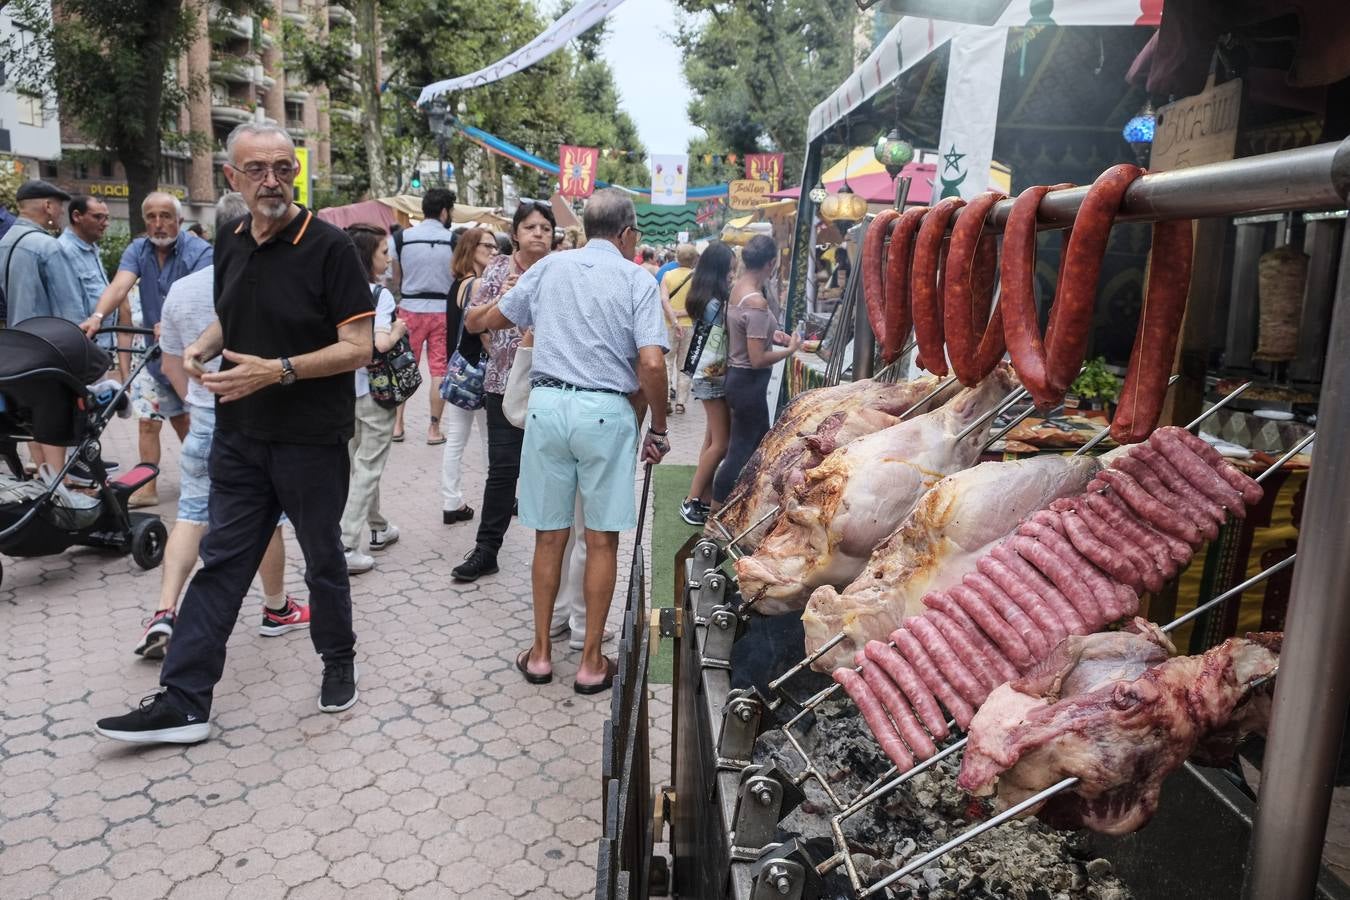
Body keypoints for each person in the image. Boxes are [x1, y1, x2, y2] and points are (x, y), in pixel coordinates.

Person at [95, 122, 375, 744]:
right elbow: (232, 313)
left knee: (323, 560)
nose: (271, 180)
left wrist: (278, 372)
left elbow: (358, 348)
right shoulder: (230, 239)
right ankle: (184, 700)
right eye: (257, 169)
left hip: (310, 437)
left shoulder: (329, 248)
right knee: (222, 562)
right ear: (233, 178)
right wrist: (200, 347)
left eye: (282, 167)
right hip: (241, 437)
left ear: (296, 173)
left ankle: (338, 662)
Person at [465, 187, 670, 693]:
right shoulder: (635, 279)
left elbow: (492, 318)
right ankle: (591, 662)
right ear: (626, 234)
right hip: (605, 412)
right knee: (600, 540)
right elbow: (650, 362)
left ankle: (539, 654)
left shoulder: (550, 268)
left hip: (548, 408)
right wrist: (660, 428)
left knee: (548, 535)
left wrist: (474, 315)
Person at [137, 191, 309, 660]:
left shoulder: (183, 288)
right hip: (253, 424)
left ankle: (165, 610)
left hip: (202, 413)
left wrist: (197, 405)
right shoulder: (260, 282)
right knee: (267, 518)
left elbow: (174, 363)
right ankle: (275, 607)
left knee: (191, 514)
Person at [83, 192, 212, 508]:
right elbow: (119, 286)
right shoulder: (139, 250)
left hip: (192, 354)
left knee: (188, 421)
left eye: (166, 216)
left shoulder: (200, 252)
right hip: (155, 354)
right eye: (152, 217)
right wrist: (98, 317)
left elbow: (201, 298)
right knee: (148, 421)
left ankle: (210, 478)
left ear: (179, 220)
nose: (159, 224)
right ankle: (148, 485)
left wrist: (172, 322)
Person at [451, 199, 556, 583]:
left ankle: (554, 558)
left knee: (553, 473)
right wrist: (505, 298)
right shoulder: (497, 269)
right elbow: (474, 320)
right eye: (530, 227)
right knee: (502, 470)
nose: (538, 233)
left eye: (545, 227)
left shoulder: (561, 269)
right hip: (502, 384)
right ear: (515, 234)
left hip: (552, 385)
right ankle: (486, 550)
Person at [0, 180, 87, 473]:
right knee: (54, 416)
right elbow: (70, 308)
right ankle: (61, 484)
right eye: (59, 206)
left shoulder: (4, 243)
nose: (61, 212)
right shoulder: (48, 246)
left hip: (14, 347)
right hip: (48, 348)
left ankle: (44, 478)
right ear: (48, 206)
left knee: (28, 416)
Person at [711, 236, 799, 505]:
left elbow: (750, 335)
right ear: (771, 263)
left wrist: (775, 335)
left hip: (740, 380)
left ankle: (745, 508)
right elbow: (758, 358)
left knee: (760, 446)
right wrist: (790, 349)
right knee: (740, 452)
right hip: (748, 382)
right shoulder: (756, 302)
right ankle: (715, 516)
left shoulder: (739, 288)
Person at [341, 223, 407, 574]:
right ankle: (347, 541)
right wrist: (398, 328)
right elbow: (378, 345)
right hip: (373, 389)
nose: (389, 258)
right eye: (384, 252)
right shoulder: (377, 295)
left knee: (359, 465)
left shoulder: (331, 291)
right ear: (369, 256)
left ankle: (378, 527)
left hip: (340, 391)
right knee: (367, 467)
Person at [389, 188, 457, 445]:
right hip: (442, 313)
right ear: (443, 212)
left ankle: (397, 425)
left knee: (404, 365)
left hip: (409, 311)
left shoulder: (400, 238)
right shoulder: (454, 241)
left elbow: (396, 279)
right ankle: (433, 429)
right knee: (439, 368)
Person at [678, 241, 736, 525]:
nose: (732, 276)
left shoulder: (704, 297)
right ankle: (691, 500)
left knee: (712, 439)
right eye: (730, 270)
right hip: (713, 375)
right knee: (721, 444)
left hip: (706, 373)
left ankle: (701, 497)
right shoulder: (716, 303)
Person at [440, 226, 495, 525]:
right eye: (487, 245)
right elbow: (483, 331)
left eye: (494, 246)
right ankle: (497, 498)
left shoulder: (457, 284)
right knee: (490, 439)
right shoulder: (477, 285)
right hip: (479, 370)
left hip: (460, 370)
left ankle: (451, 501)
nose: (493, 250)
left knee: (456, 441)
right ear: (471, 248)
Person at [58, 196, 115, 348]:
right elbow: (67, 307)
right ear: (77, 216)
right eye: (98, 217)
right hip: (84, 346)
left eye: (106, 218)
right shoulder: (64, 251)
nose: (105, 223)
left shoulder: (90, 248)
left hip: (99, 345)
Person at [659, 243, 698, 415]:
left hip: (669, 325)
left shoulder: (667, 275)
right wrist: (683, 314)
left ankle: (666, 398)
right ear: (694, 259)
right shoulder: (697, 278)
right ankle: (681, 402)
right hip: (689, 325)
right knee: (684, 365)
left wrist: (674, 319)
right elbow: (697, 305)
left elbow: (664, 300)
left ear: (677, 257)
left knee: (667, 363)